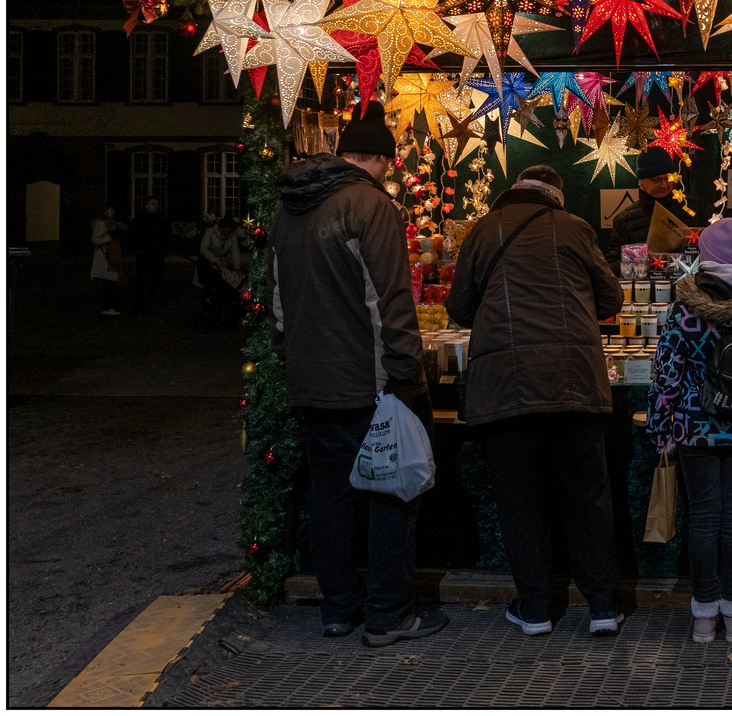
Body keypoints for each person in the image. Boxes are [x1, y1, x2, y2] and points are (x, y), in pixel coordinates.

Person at [265, 105, 448, 648]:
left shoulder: (291, 208)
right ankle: (389, 614)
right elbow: (390, 301)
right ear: (385, 161)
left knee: (330, 496)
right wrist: (404, 375)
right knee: (392, 493)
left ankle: (338, 609)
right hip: (369, 385)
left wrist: (292, 360)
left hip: (310, 381)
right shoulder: (371, 207)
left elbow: (276, 303)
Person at [445, 164, 627, 639]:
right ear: (557, 195)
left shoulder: (483, 231)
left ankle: (535, 611)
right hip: (573, 384)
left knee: (520, 501)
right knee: (587, 497)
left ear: (512, 191)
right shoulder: (574, 228)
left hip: (505, 386)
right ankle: (603, 607)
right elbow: (611, 299)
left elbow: (458, 308)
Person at [647, 217, 732, 643]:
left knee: (704, 517)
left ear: (705, 254)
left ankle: (704, 616)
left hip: (693, 425)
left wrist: (659, 429)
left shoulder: (683, 306)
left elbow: (666, 374)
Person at [605, 146, 701, 271]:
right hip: (643, 288)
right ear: (641, 183)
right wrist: (639, 259)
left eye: (668, 178)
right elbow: (611, 267)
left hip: (684, 287)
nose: (664, 185)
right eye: (656, 180)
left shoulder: (693, 210)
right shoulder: (624, 220)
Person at [198, 215, 252, 327]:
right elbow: (203, 249)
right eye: (223, 232)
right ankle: (206, 312)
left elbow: (235, 253)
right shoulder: (210, 232)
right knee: (209, 286)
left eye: (228, 232)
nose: (225, 234)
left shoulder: (232, 237)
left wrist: (237, 268)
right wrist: (214, 260)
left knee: (229, 281)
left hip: (222, 264)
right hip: (207, 263)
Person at [126, 196, 171, 314]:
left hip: (157, 255)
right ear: (147, 206)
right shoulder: (140, 219)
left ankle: (147, 304)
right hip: (144, 255)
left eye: (157, 204)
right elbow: (133, 235)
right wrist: (139, 249)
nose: (156, 206)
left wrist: (164, 249)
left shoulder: (161, 219)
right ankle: (136, 305)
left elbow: (167, 235)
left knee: (155, 281)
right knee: (142, 280)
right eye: (153, 204)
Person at [90, 204, 122, 316]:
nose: (113, 211)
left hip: (110, 255)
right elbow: (95, 239)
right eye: (111, 209)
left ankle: (108, 307)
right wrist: (109, 238)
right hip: (105, 256)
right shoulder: (102, 224)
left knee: (110, 282)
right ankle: (107, 307)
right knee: (109, 282)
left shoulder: (112, 223)